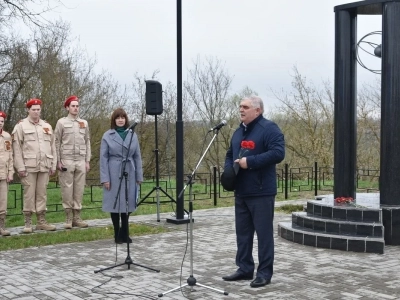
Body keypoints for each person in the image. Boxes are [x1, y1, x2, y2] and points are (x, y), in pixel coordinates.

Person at [222, 95, 285, 288]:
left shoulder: (269, 129)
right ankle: (244, 268)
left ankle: (264, 273)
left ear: (257, 110)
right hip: (241, 191)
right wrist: (228, 172)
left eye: (245, 107)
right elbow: (230, 154)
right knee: (243, 234)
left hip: (261, 192)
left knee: (264, 235)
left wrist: (250, 162)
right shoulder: (238, 132)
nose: (241, 109)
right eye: (240, 106)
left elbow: (278, 153)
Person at [12, 99, 57, 233]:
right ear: (28, 110)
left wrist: (53, 165)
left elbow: (53, 146)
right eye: (33, 109)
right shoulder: (21, 126)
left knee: (42, 194)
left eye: (38, 109)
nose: (36, 112)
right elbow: (17, 148)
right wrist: (20, 167)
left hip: (44, 165)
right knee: (29, 194)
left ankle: (41, 221)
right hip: (28, 166)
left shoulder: (46, 126)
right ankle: (28, 222)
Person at [100, 108, 143, 244]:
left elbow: (137, 156)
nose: (120, 120)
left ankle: (125, 232)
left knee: (127, 203)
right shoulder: (107, 135)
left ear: (126, 119)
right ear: (114, 120)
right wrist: (105, 178)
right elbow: (103, 158)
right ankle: (116, 233)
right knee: (115, 203)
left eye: (122, 118)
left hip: (129, 171)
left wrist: (139, 176)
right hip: (113, 171)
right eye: (117, 118)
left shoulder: (132, 134)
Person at [54, 95, 91, 229]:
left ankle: (77, 217)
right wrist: (58, 161)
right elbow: (56, 142)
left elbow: (87, 141)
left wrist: (87, 160)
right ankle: (68, 218)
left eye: (77, 106)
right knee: (67, 189)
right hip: (67, 160)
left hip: (80, 160)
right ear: (67, 108)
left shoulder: (84, 123)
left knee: (79, 189)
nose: (75, 108)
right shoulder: (61, 122)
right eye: (73, 106)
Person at [0, 111, 14, 236]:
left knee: (3, 201)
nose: (0, 123)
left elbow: (10, 156)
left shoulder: (7, 137)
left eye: (2, 121)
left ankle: (2, 226)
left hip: (3, 174)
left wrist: (11, 172)